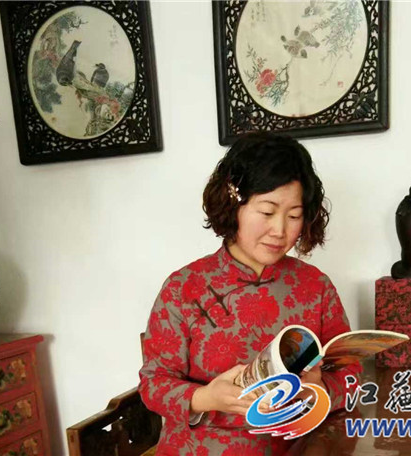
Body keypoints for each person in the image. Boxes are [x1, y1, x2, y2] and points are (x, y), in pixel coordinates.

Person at [139, 132, 360, 455]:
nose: (280, 231)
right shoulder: (184, 287)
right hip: (201, 448)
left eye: (294, 216)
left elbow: (351, 375)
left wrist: (318, 389)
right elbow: (154, 383)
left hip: (296, 448)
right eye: (267, 212)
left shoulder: (316, 286)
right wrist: (207, 397)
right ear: (233, 204)